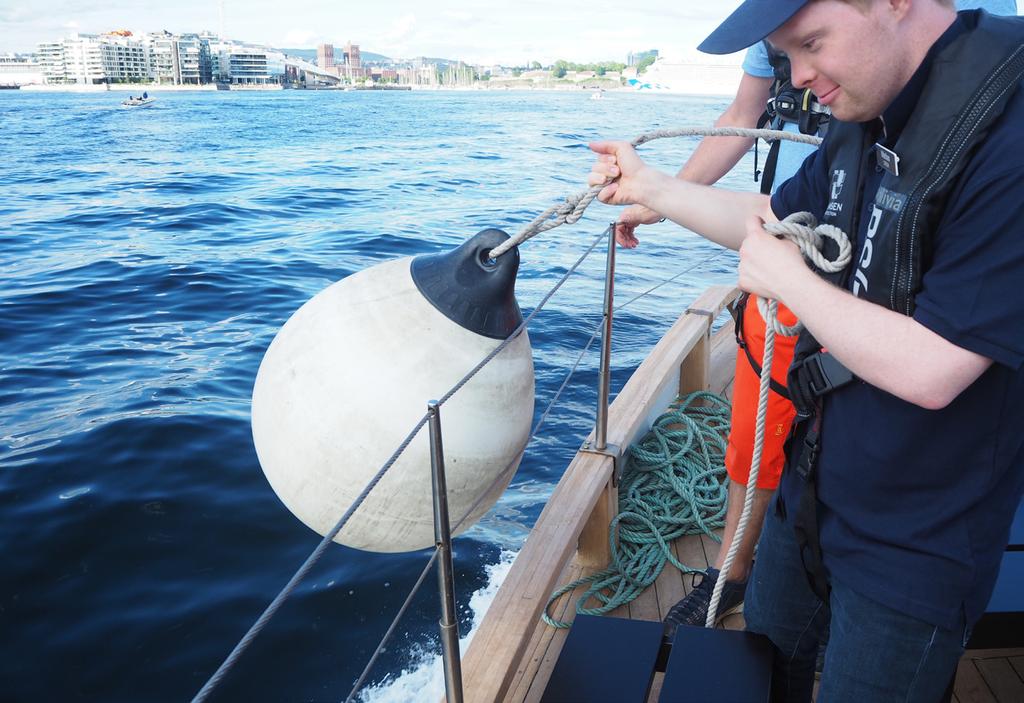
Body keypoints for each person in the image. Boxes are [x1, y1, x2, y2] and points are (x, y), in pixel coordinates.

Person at [588, 1, 1024, 700]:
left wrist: (788, 278)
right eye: (784, 55)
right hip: (814, 489)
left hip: (916, 540)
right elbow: (774, 219)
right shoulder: (866, 110)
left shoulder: (1008, 135)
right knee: (762, 660)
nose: (798, 76)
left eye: (812, 43)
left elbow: (937, 367)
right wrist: (655, 189)